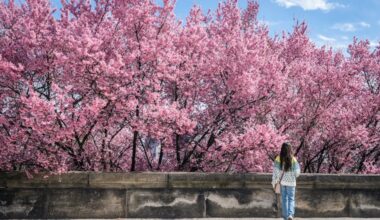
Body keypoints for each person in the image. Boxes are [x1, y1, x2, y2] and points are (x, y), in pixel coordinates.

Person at [271, 142, 301, 220]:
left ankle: (285, 216)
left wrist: (275, 181)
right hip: (291, 182)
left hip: (282, 182)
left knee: (284, 199)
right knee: (291, 199)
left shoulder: (278, 158)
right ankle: (290, 215)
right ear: (290, 149)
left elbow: (275, 172)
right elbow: (297, 173)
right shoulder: (293, 159)